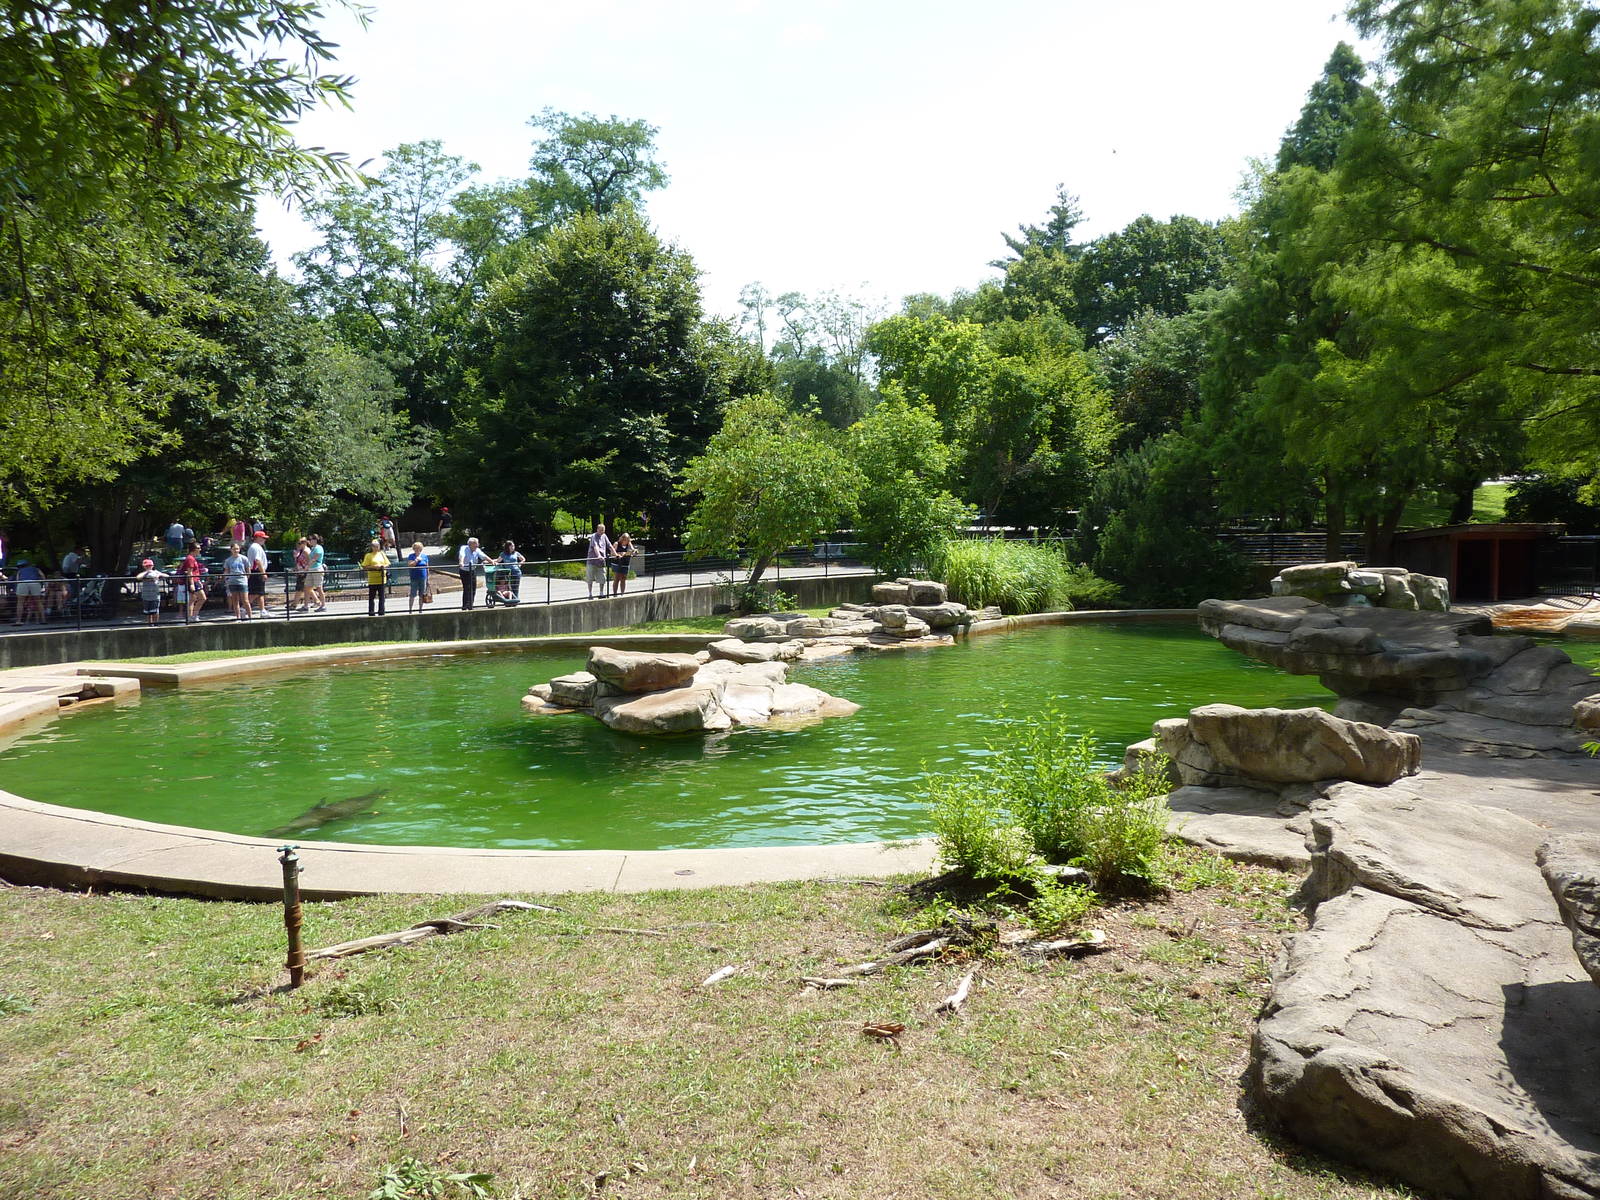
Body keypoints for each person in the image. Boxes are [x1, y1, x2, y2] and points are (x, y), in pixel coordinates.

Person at [457, 537, 490, 610]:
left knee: (473, 588)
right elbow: (462, 555)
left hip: (472, 570)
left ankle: (471, 605)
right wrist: (461, 562)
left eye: (477, 544)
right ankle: (465, 605)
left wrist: (491, 561)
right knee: (467, 588)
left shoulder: (477, 550)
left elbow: (483, 556)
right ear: (470, 544)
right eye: (475, 545)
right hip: (464, 571)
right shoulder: (464, 548)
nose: (477, 546)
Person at [360, 538, 390, 616]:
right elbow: (364, 566)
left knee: (382, 597)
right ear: (372, 547)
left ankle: (381, 612)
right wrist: (374, 567)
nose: (376, 548)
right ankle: (371, 612)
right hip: (373, 580)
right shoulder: (368, 555)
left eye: (377, 546)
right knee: (371, 597)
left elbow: (387, 563)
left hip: (382, 579)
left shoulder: (382, 554)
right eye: (374, 546)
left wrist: (382, 566)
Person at [179, 541, 206, 620]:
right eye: (198, 548)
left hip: (196, 580)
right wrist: (192, 584)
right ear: (193, 549)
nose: (200, 549)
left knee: (192, 599)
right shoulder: (190, 559)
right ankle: (194, 615)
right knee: (202, 598)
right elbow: (190, 572)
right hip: (193, 580)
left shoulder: (192, 558)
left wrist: (199, 581)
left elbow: (195, 571)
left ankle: (190, 616)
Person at [585, 522, 613, 600]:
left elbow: (609, 545)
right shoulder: (594, 536)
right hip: (592, 561)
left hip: (601, 561)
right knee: (590, 578)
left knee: (602, 578)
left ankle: (601, 593)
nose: (602, 532)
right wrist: (598, 555)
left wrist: (615, 553)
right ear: (597, 529)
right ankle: (590, 594)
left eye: (603, 530)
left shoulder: (604, 536)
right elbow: (595, 546)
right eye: (601, 530)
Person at [135, 558, 167, 626]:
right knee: (148, 612)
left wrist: (159, 575)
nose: (148, 567)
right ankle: (150, 624)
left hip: (155, 595)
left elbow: (167, 575)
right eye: (147, 566)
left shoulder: (156, 572)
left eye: (150, 565)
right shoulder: (143, 573)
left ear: (152, 566)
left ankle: (156, 624)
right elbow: (138, 577)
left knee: (155, 611)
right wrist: (147, 572)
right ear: (144, 567)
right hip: (146, 596)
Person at [245, 530, 270, 617]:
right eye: (263, 538)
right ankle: (243, 609)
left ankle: (262, 610)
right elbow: (257, 560)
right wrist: (263, 573)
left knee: (260, 593)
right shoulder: (256, 547)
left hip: (256, 572)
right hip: (256, 572)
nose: (264, 540)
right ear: (258, 538)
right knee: (255, 593)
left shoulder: (255, 546)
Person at [11, 559, 43, 624]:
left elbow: (17, 579)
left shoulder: (20, 571)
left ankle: (18, 621)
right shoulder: (36, 569)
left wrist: (17, 587)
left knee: (20, 602)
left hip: (22, 582)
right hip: (35, 582)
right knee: (38, 602)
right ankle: (43, 620)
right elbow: (42, 575)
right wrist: (43, 584)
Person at [223, 543, 249, 619]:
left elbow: (248, 570)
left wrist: (246, 578)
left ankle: (249, 616)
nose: (236, 550)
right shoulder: (228, 560)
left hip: (242, 581)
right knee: (235, 600)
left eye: (237, 549)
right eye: (234, 549)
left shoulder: (244, 558)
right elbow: (226, 571)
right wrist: (226, 579)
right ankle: (238, 617)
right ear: (231, 550)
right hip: (232, 581)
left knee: (245, 600)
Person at [609, 532, 637, 596]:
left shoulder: (629, 543)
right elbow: (612, 553)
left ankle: (622, 594)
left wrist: (634, 552)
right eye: (625, 539)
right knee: (617, 578)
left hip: (625, 562)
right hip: (617, 563)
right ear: (622, 538)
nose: (626, 541)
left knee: (623, 578)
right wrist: (619, 554)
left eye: (627, 540)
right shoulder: (616, 543)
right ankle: (615, 594)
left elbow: (633, 550)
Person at [405, 541, 430, 612]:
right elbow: (410, 565)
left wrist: (428, 578)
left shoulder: (425, 556)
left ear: (421, 548)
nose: (417, 549)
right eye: (415, 548)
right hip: (414, 577)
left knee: (422, 594)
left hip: (423, 577)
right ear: (413, 548)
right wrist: (416, 560)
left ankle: (420, 609)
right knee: (413, 594)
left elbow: (427, 567)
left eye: (419, 548)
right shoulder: (411, 556)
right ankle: (410, 610)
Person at [306, 534, 327, 612]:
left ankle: (323, 605)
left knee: (319, 588)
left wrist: (307, 567)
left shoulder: (318, 548)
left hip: (317, 569)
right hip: (311, 570)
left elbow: (314, 559)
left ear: (315, 540)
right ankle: (306, 606)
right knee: (307, 587)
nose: (309, 541)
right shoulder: (313, 548)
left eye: (310, 539)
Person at [290, 537, 311, 611]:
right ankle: (317, 601)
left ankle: (294, 604)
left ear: (305, 543)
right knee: (306, 588)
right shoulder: (301, 551)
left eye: (300, 543)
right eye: (298, 543)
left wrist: (305, 571)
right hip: (300, 571)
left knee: (299, 588)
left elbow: (309, 562)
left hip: (304, 572)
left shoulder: (306, 551)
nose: (298, 544)